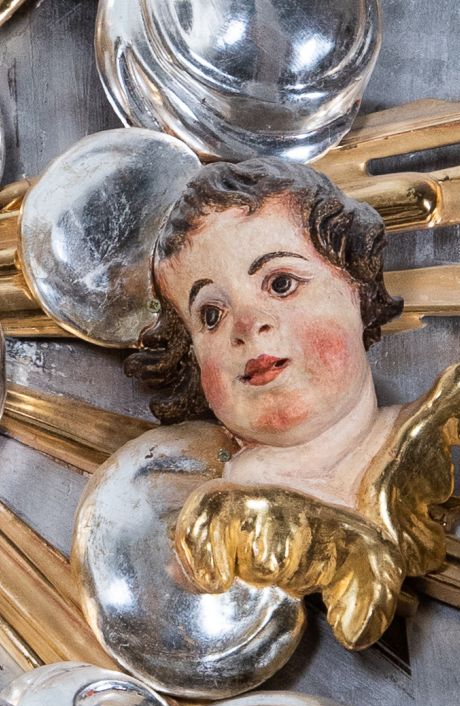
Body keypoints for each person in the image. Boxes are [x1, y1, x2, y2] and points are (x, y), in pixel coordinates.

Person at [132, 152, 396, 510]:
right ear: (189, 357)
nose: (247, 326)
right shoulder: (202, 512)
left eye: (281, 284)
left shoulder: (435, 427)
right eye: (211, 315)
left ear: (357, 288)